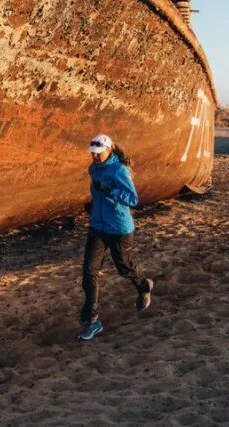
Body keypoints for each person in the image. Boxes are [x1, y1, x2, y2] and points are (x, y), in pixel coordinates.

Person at [78, 134, 154, 341]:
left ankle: (144, 286)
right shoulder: (93, 169)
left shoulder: (119, 170)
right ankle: (92, 321)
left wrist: (110, 191)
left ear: (108, 150)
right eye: (92, 153)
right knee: (89, 271)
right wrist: (94, 206)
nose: (94, 156)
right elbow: (98, 194)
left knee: (124, 267)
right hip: (98, 227)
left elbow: (133, 199)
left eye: (98, 153)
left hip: (119, 229)